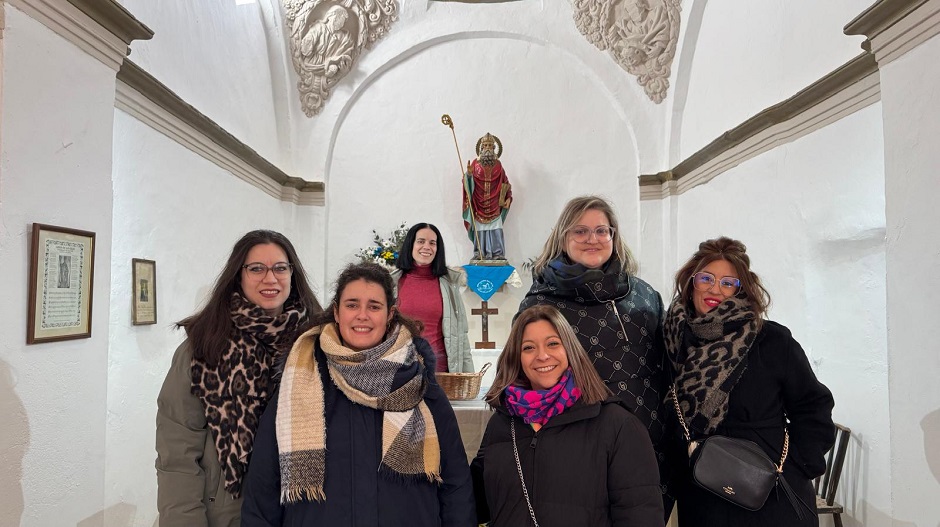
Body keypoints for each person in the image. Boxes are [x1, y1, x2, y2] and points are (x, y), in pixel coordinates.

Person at [240, 263, 476, 526]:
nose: (362, 315)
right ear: (337, 313)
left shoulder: (421, 386)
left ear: (390, 315)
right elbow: (263, 486)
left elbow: (455, 484)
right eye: (352, 305)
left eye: (374, 306)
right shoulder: (301, 382)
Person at [156, 230, 322, 527]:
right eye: (256, 268)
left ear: (292, 274)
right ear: (238, 275)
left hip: (299, 510)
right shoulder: (205, 345)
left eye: (280, 268)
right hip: (227, 514)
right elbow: (177, 454)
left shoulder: (315, 344)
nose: (270, 279)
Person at [665, 237, 835, 526]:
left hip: (772, 495)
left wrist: (796, 466)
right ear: (691, 282)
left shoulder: (771, 340)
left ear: (741, 290)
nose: (714, 289)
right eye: (706, 278)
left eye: (728, 282)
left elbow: (813, 408)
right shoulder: (674, 342)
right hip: (704, 497)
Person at [517, 195, 673, 511]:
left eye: (602, 231)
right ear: (563, 236)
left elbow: (668, 363)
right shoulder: (539, 305)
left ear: (614, 237)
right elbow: (525, 383)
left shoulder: (643, 293)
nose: (593, 239)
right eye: (581, 231)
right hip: (579, 448)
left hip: (653, 444)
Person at [471, 304, 664, 526]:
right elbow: (476, 501)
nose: (542, 356)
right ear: (517, 358)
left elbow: (641, 515)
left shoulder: (618, 425)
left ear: (570, 350)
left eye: (553, 343)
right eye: (528, 348)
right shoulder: (503, 422)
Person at [392, 222, 473, 373]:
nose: (427, 247)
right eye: (421, 241)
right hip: (399, 369)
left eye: (432, 243)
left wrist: (467, 373)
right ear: (411, 245)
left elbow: (461, 333)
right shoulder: (392, 283)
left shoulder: (449, 284)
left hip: (440, 371)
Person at [462, 132, 512, 261]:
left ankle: (498, 254)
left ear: (494, 147)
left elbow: (506, 183)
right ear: (481, 148)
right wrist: (468, 174)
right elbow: (467, 182)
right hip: (479, 203)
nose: (488, 147)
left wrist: (508, 198)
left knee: (496, 228)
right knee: (480, 229)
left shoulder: (499, 165)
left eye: (490, 145)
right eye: (485, 145)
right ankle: (480, 253)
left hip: (495, 203)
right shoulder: (475, 164)